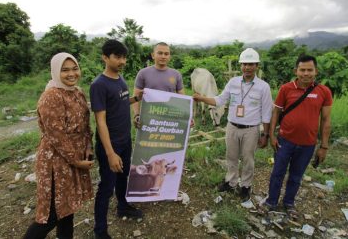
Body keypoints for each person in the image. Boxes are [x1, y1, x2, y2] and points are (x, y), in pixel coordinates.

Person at [23, 52, 94, 239]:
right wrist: (77, 162)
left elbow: (86, 125)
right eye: (65, 70)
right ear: (55, 72)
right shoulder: (51, 96)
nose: (71, 74)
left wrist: (88, 147)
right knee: (51, 215)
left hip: (74, 158)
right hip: (56, 161)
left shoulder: (77, 92)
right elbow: (57, 136)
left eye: (74, 68)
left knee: (68, 209)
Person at [193, 48, 273, 202]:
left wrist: (265, 134)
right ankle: (231, 182)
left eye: (251, 64)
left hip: (251, 129)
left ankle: (246, 186)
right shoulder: (233, 82)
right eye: (244, 64)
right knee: (231, 156)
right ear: (240, 66)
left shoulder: (263, 87)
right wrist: (202, 99)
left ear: (257, 66)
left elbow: (267, 113)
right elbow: (219, 100)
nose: (247, 67)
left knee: (248, 159)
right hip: (232, 127)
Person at [263, 54, 332, 218]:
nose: (306, 73)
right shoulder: (286, 88)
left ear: (316, 71)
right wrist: (272, 135)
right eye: (303, 70)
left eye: (310, 70)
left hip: (308, 144)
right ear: (296, 71)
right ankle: (271, 202)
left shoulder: (324, 91)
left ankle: (289, 203)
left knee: (296, 176)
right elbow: (276, 113)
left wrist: (323, 146)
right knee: (277, 173)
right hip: (284, 141)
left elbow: (326, 120)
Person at [90, 39, 143, 239]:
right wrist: (110, 153)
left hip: (125, 141)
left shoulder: (120, 80)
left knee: (123, 177)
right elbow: (100, 121)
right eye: (117, 57)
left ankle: (123, 206)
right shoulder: (99, 85)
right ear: (105, 57)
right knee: (106, 187)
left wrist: (137, 98)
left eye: (124, 57)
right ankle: (100, 231)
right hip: (109, 146)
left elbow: (121, 103)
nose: (122, 61)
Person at [132, 42, 185, 127]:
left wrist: (187, 117)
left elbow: (182, 99)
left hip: (170, 119)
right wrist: (137, 115)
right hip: (148, 118)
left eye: (166, 54)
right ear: (153, 55)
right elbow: (135, 96)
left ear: (169, 57)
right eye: (160, 53)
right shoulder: (143, 73)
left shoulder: (176, 74)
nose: (163, 56)